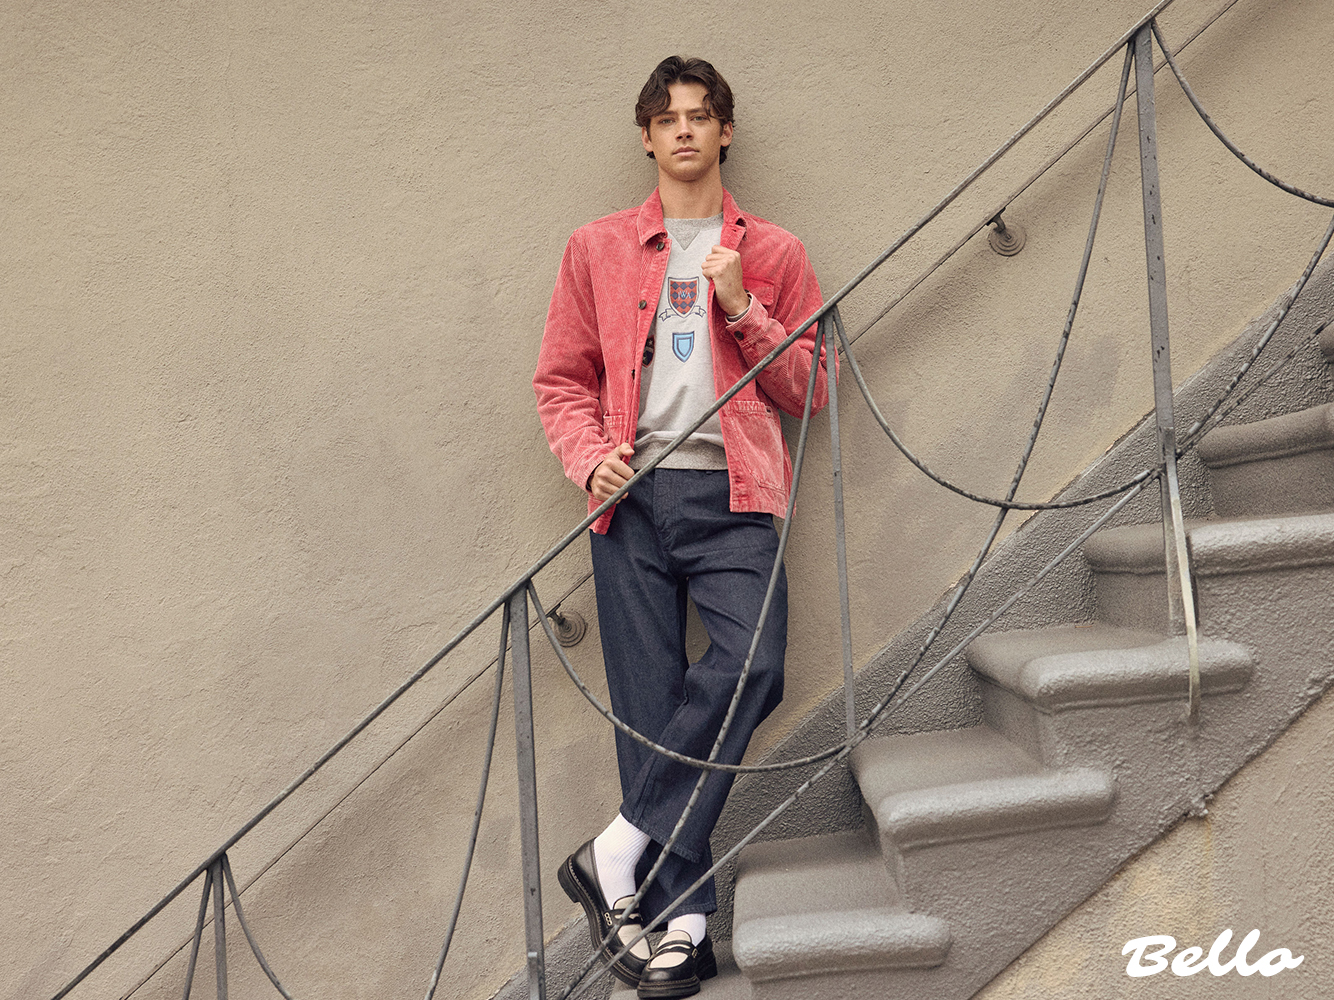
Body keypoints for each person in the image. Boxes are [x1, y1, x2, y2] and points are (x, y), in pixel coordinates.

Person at [533, 55, 828, 999]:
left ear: (725, 131)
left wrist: (744, 306)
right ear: (649, 137)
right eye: (669, 119)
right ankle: (686, 930)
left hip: (734, 494)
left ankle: (617, 847)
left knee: (754, 663)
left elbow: (810, 389)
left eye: (701, 116)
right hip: (630, 501)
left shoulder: (772, 250)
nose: (686, 130)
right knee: (651, 714)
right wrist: (589, 459)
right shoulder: (598, 247)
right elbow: (561, 380)